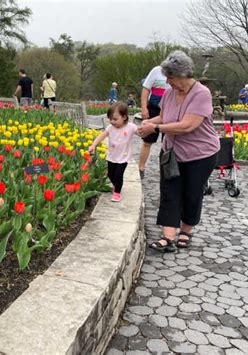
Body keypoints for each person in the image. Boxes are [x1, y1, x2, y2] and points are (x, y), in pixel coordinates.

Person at [138, 50, 220, 252]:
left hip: (200, 154)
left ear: (184, 74)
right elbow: (165, 117)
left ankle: (185, 231)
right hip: (172, 153)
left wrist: (155, 129)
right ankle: (167, 238)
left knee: (191, 193)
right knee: (169, 191)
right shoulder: (168, 93)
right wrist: (148, 122)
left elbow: (186, 126)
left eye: (171, 77)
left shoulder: (201, 94)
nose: (168, 81)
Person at [88, 102, 139, 202]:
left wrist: (145, 131)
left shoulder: (131, 127)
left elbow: (140, 133)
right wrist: (94, 144)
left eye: (115, 119)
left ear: (124, 117)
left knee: (118, 175)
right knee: (111, 174)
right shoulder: (110, 128)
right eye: (110, 119)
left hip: (123, 157)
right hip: (112, 156)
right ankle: (116, 185)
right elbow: (102, 136)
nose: (112, 121)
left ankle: (117, 192)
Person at [138, 65, 171, 178]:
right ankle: (141, 168)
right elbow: (146, 89)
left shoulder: (176, 73)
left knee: (168, 142)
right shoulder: (157, 70)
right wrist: (144, 108)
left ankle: (165, 169)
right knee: (147, 141)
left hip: (170, 110)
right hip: (154, 108)